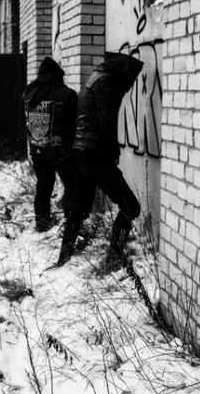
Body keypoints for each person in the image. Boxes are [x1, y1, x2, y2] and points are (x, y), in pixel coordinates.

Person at [57, 51, 144, 268]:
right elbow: (106, 122)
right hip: (94, 153)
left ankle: (64, 256)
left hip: (81, 152)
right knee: (131, 207)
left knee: (81, 206)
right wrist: (113, 154)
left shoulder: (96, 77)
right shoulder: (107, 83)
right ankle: (114, 257)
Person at [23, 57, 78, 232]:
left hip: (37, 149)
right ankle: (70, 225)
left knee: (43, 187)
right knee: (72, 185)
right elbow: (72, 125)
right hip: (60, 151)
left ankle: (42, 224)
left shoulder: (29, 93)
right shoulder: (67, 94)